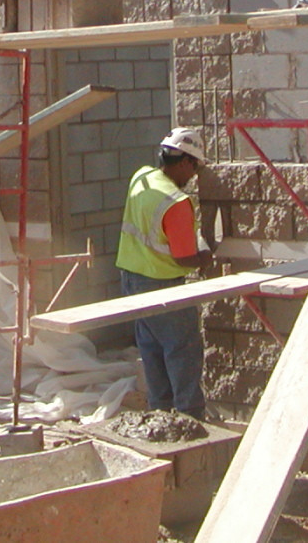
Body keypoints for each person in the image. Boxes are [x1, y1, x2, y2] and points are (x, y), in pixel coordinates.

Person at [115, 127, 213, 420]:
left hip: (131, 279)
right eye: (194, 168)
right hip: (162, 285)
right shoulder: (176, 202)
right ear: (184, 161)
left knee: (151, 348)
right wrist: (204, 258)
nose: (193, 176)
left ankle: (160, 414)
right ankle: (189, 417)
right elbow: (184, 258)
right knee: (182, 349)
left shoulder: (141, 177)